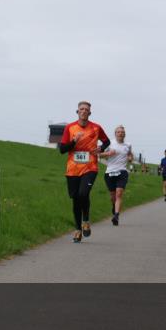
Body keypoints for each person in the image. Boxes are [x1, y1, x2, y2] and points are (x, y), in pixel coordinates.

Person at [58, 101, 110, 242]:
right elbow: (62, 149)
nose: (84, 111)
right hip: (72, 169)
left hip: (90, 167)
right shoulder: (70, 128)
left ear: (89, 113)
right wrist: (74, 141)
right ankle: (77, 229)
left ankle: (85, 221)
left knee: (83, 193)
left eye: (86, 109)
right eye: (81, 109)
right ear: (77, 112)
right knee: (76, 199)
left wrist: (101, 148)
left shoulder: (96, 127)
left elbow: (107, 141)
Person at [99, 125, 133, 226]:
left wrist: (130, 158)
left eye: (122, 132)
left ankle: (116, 216)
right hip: (110, 172)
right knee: (113, 196)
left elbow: (130, 154)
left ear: (124, 134)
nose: (120, 133)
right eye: (118, 132)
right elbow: (99, 154)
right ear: (115, 134)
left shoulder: (128, 145)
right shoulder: (109, 143)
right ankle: (114, 207)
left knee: (119, 193)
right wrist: (108, 153)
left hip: (122, 172)